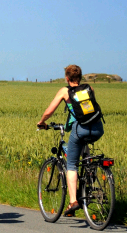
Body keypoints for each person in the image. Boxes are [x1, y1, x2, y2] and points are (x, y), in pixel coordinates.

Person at [37, 65, 104, 216]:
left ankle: (73, 201)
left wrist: (42, 122)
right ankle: (90, 176)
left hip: (80, 129)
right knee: (85, 157)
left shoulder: (65, 91)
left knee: (72, 164)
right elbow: (88, 110)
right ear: (80, 77)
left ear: (67, 78)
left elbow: (49, 111)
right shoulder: (89, 89)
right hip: (98, 128)